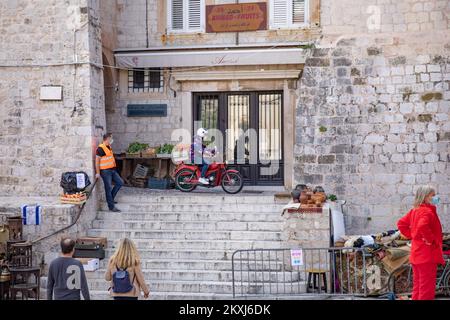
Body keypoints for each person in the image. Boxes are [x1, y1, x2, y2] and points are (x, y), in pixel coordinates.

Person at [397, 185, 445, 300]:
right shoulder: (427, 211)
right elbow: (422, 226)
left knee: (418, 287)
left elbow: (401, 224)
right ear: (425, 197)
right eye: (432, 195)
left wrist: (413, 235)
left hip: (416, 254)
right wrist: (431, 240)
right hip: (427, 255)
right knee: (426, 290)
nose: (435, 197)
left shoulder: (414, 211)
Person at [96, 133, 123, 212]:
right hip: (105, 171)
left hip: (112, 170)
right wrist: (97, 173)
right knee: (108, 188)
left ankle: (110, 199)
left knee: (120, 182)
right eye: (111, 138)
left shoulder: (109, 147)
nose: (112, 140)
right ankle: (111, 207)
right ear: (107, 139)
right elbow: (97, 162)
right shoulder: (100, 148)